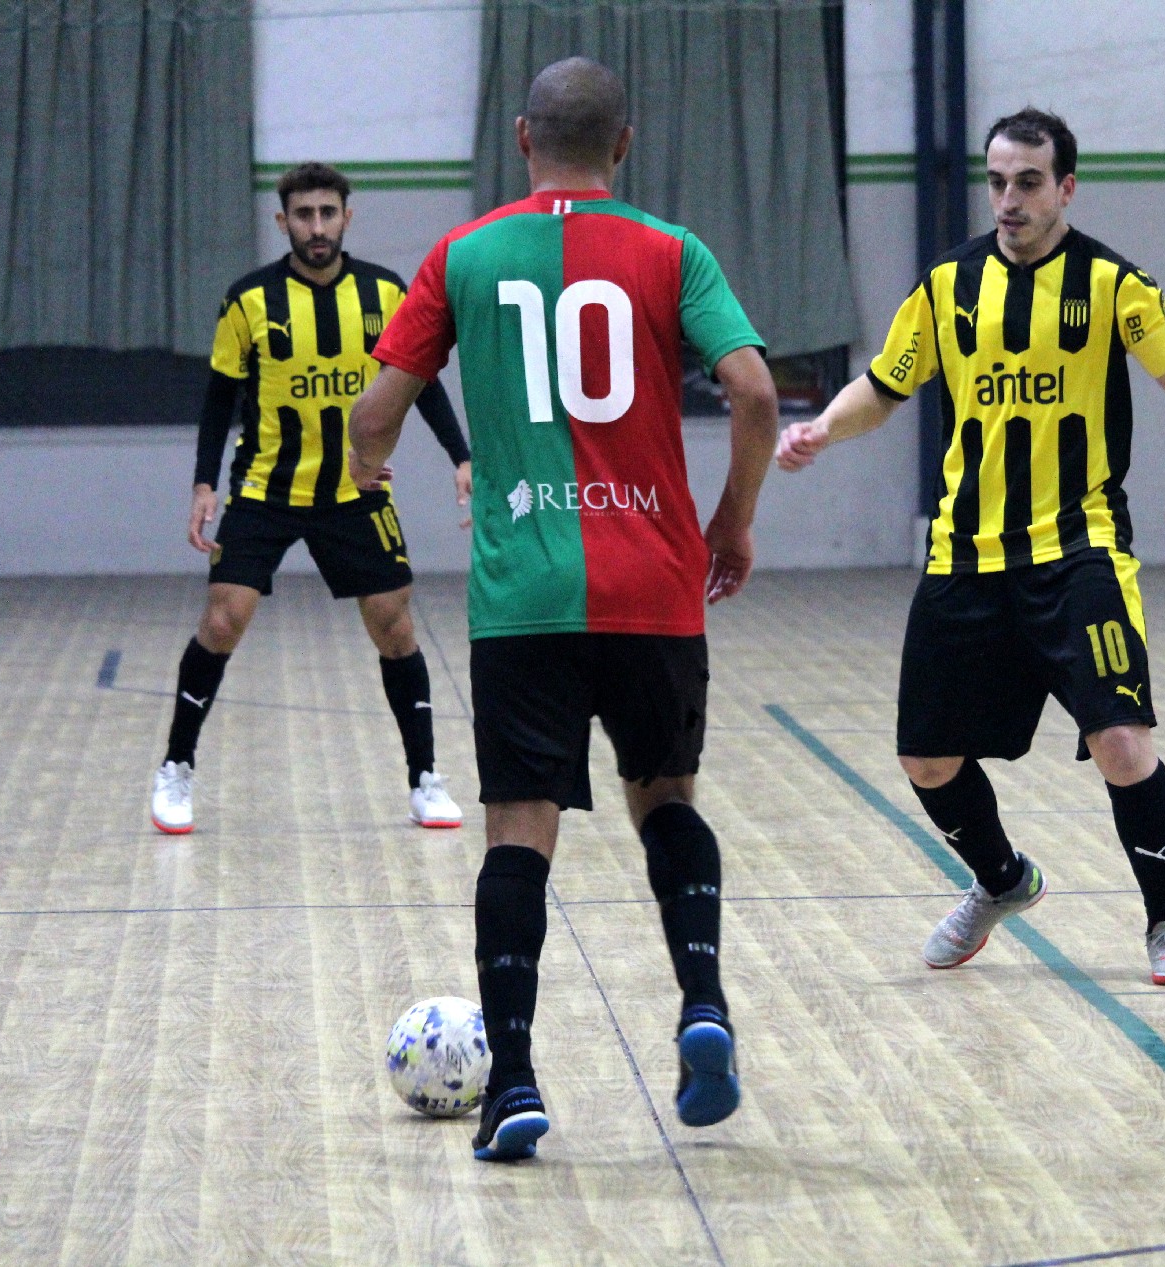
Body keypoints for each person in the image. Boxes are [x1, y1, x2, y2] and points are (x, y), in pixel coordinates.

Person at [349, 57, 779, 1162]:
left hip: (524, 596)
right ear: (623, 145)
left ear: (521, 136)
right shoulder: (672, 252)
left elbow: (375, 411)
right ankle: (702, 1003)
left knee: (517, 835)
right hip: (653, 585)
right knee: (665, 797)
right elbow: (757, 392)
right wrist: (728, 521)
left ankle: (518, 1084)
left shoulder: (464, 254)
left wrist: (368, 474)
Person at [777, 108, 1165, 988]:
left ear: (1066, 186)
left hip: (1080, 550)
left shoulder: (1112, 285)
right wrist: (823, 428)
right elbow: (884, 384)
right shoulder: (948, 287)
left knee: (1121, 740)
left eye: (1028, 182)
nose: (1008, 199)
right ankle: (1001, 881)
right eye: (996, 181)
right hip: (966, 556)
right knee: (925, 758)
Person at [149, 163, 472, 835]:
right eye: (304, 214)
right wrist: (205, 483)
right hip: (267, 489)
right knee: (221, 620)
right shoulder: (248, 301)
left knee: (395, 625)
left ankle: (423, 779)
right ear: (283, 221)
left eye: (328, 212)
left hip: (356, 490)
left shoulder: (385, 292)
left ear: (347, 216)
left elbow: (421, 381)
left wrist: (461, 455)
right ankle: (176, 767)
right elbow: (218, 400)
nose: (317, 226)